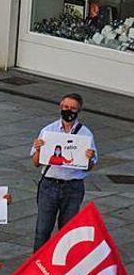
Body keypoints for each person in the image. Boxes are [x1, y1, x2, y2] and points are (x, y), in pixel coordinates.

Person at [31, 93, 97, 250]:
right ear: (60, 108)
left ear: (78, 111)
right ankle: (36, 268)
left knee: (68, 232)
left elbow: (89, 166)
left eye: (73, 108)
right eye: (66, 107)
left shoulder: (85, 134)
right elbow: (35, 163)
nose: (69, 110)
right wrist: (39, 150)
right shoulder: (48, 131)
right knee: (42, 230)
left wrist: (89, 158)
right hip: (49, 185)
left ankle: (64, 266)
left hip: (73, 187)